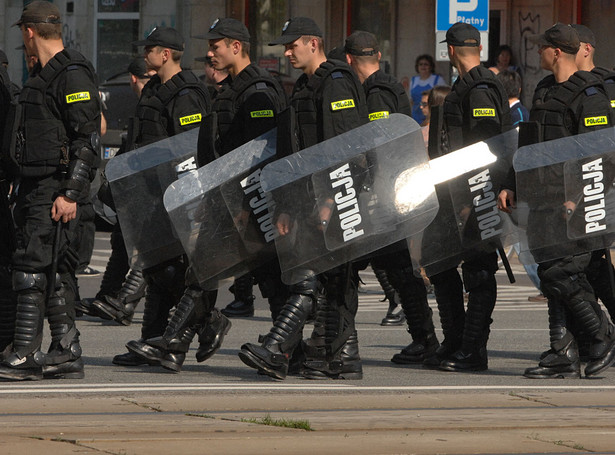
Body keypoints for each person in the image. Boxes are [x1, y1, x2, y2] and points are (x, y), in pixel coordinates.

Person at [129, 17, 289, 372]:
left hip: (249, 200)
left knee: (271, 280)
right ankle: (175, 344)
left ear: (235, 46)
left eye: (215, 46)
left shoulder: (258, 89)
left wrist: (247, 205)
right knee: (204, 269)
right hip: (225, 197)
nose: (208, 52)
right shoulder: (230, 89)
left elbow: (261, 152)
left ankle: (287, 348)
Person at [239, 17, 368, 380]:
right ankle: (339, 356)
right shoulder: (305, 87)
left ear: (313, 42)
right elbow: (294, 154)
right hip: (306, 200)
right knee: (327, 281)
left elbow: (344, 148)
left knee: (314, 279)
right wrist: (285, 206)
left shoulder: (337, 82)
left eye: (292, 44)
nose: (287, 51)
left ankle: (279, 350)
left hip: (334, 198)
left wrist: (329, 201)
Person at [498, 23, 615, 379]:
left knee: (563, 271)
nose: (537, 53)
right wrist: (511, 183)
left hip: (575, 203)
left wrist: (575, 199)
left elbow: (600, 157)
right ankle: (563, 350)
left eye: (542, 48)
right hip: (542, 198)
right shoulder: (546, 90)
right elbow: (529, 146)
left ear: (557, 52)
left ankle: (600, 337)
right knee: (550, 275)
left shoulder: (591, 95)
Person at [0, 1, 102, 380]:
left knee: (30, 267)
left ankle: (26, 352)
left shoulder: (71, 74)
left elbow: (87, 139)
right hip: (33, 185)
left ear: (29, 32)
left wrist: (70, 192)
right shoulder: (42, 75)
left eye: (22, 35)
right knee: (54, 269)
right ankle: (66, 349)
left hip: (53, 187)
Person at [106, 27, 213, 369]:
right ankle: (152, 341)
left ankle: (208, 322)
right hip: (148, 193)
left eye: (150, 49)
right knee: (154, 268)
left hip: (173, 196)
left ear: (165, 54)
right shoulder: (154, 89)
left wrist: (189, 203)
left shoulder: (187, 94)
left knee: (170, 269)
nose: (145, 54)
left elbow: (189, 151)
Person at [341, 29, 439, 361]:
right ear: (378, 57)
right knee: (393, 266)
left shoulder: (377, 92)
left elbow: (378, 144)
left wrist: (369, 189)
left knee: (355, 265)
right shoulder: (387, 87)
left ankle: (342, 341)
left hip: (382, 196)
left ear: (349, 60)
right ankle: (423, 339)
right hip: (387, 194)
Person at [426, 22, 512, 372]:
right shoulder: (465, 86)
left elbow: (488, 147)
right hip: (451, 193)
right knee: (441, 264)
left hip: (475, 195)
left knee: (478, 272)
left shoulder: (479, 88)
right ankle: (456, 341)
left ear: (449, 51)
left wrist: (472, 198)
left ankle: (473, 349)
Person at [77, 58, 154, 324]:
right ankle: (109, 299)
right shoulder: (146, 102)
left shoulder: (157, 99)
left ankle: (123, 303)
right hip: (137, 184)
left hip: (153, 187)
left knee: (158, 256)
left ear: (133, 79)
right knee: (121, 241)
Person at [571, 23, 615, 323]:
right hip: (569, 184)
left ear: (587, 49)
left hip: (605, 182)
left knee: (596, 261)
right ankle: (593, 335)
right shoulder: (557, 86)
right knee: (578, 265)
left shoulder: (609, 84)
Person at [495, 69, 543, 301]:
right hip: (514, 186)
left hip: (517, 186)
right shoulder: (518, 112)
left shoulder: (517, 115)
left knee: (522, 243)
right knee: (514, 240)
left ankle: (545, 286)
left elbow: (516, 151)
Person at [410, 54, 445, 125]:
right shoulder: (413, 80)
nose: (423, 66)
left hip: (431, 117)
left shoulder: (437, 79)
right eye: (421, 64)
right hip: (416, 117)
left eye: (426, 64)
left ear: (431, 66)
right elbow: (411, 100)